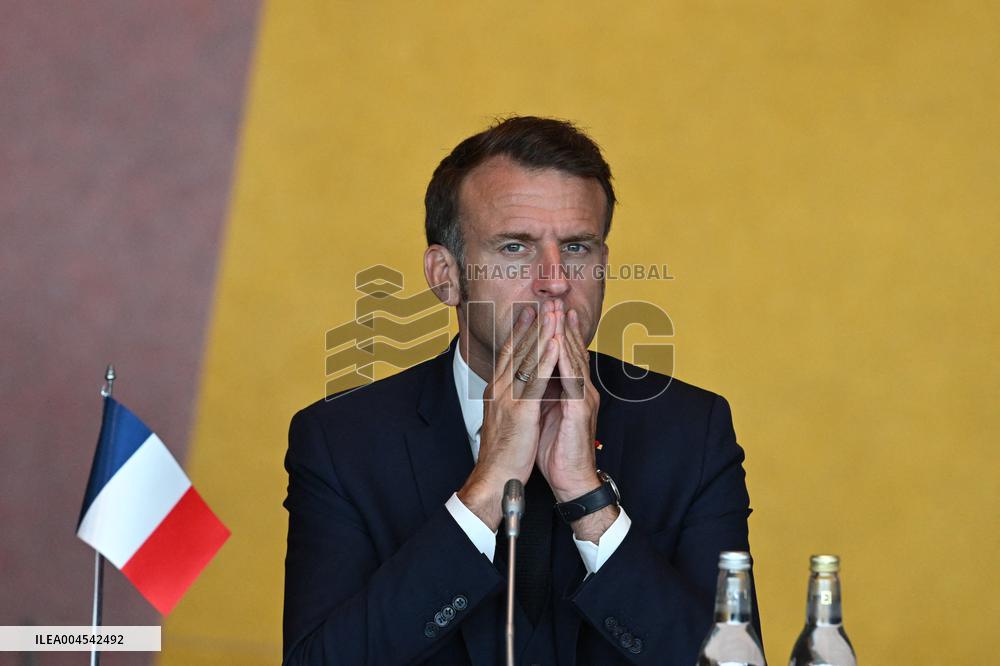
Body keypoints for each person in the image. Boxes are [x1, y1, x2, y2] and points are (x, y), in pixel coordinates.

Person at [282, 116, 758, 665]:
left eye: (577, 248)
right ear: (446, 275)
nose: (555, 278)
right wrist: (485, 490)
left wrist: (588, 500)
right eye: (515, 247)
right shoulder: (341, 442)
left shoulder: (691, 430)